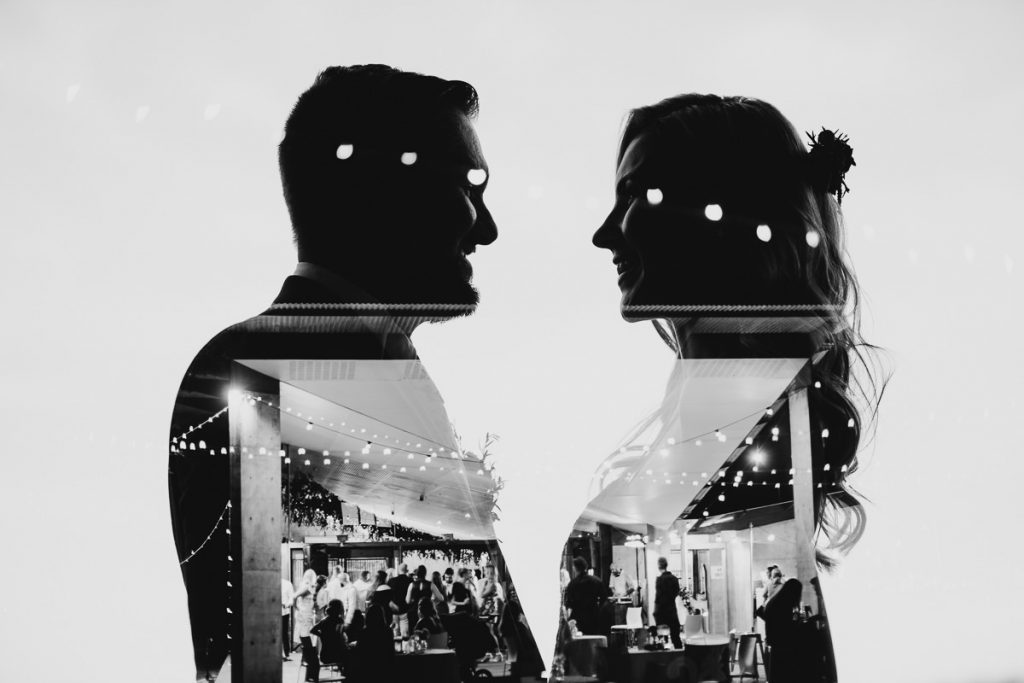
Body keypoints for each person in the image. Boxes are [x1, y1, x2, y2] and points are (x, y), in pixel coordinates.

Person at [580, 92, 886, 675]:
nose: (604, 233)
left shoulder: (750, 430)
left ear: (724, 212)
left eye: (634, 197)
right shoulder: (735, 414)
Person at [563, 557, 605, 636]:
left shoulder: (572, 584)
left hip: (578, 617)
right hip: (593, 615)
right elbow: (604, 598)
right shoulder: (596, 581)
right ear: (585, 567)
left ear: (575, 568)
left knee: (580, 641)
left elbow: (569, 603)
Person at [310, 599, 349, 677]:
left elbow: (312, 630)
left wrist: (322, 635)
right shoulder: (339, 621)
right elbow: (340, 639)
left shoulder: (324, 621)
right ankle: (346, 676)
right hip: (334, 656)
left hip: (324, 656)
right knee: (349, 655)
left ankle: (343, 673)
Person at [292, 573, 319, 681]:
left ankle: (309, 668)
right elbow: (295, 596)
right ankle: (309, 664)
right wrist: (298, 608)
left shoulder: (310, 587)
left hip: (307, 614)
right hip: (305, 614)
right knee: (308, 640)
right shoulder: (307, 587)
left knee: (308, 640)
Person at [653, 557, 682, 649]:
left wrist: (655, 611)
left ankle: (664, 659)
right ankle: (680, 657)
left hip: (661, 612)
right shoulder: (674, 579)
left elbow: (658, 598)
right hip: (672, 610)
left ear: (659, 566)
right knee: (676, 637)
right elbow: (676, 592)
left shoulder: (659, 580)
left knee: (662, 639)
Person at [388, 563, 413, 637]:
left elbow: (388, 597)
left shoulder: (391, 581)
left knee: (395, 634)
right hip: (405, 610)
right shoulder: (410, 581)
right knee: (405, 634)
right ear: (407, 570)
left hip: (394, 611)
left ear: (398, 570)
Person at [281, 578, 295, 661]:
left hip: (284, 611)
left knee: (284, 633)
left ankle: (286, 654)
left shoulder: (287, 584)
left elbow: (291, 598)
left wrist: (286, 604)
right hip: (271, 612)